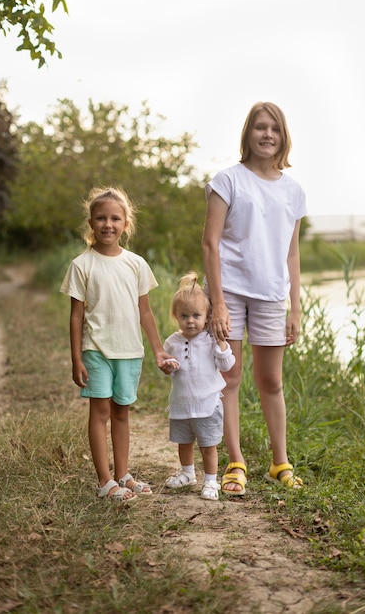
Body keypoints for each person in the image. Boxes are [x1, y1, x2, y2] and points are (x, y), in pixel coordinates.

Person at [201, 101, 307, 496]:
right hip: (229, 291)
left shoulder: (294, 191)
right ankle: (236, 462)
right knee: (229, 379)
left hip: (271, 296)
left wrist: (296, 307)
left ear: (283, 137)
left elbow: (292, 252)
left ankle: (280, 463)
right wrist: (220, 304)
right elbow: (210, 244)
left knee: (272, 381)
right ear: (248, 134)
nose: (267, 134)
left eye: (274, 129)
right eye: (260, 127)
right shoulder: (227, 180)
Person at [61, 186, 173, 504]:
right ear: (91, 222)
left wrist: (157, 349)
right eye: (100, 218)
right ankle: (104, 481)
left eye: (115, 218)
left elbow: (145, 312)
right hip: (96, 349)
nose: (107, 224)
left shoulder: (136, 264)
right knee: (100, 413)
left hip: (129, 350)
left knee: (122, 412)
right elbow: (76, 317)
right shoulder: (82, 265)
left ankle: (123, 474)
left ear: (126, 223)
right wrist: (75, 359)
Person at [161, 272, 235, 501]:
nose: (190, 321)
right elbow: (169, 368)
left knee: (208, 445)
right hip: (182, 404)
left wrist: (222, 344)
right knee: (184, 442)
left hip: (207, 404)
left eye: (196, 315)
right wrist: (168, 366)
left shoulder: (211, 339)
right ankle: (187, 473)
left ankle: (211, 480)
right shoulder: (172, 342)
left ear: (207, 316)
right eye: (184, 316)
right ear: (176, 317)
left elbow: (227, 364)